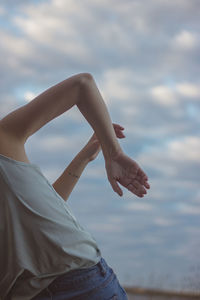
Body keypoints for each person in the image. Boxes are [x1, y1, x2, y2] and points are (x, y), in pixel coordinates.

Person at [0, 73, 150, 300]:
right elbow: (82, 85)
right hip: (75, 284)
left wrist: (90, 157)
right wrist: (113, 153)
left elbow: (38, 217)